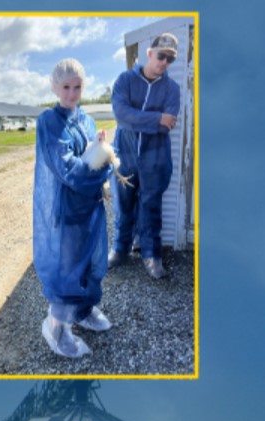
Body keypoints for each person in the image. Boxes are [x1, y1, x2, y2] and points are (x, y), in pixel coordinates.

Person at [32, 59, 114, 359]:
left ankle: (84, 311)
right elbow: (69, 169)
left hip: (90, 208)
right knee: (67, 269)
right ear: (55, 87)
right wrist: (103, 167)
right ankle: (56, 327)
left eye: (77, 86)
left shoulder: (87, 120)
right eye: (66, 87)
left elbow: (88, 155)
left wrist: (97, 146)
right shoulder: (48, 122)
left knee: (91, 264)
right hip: (68, 210)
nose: (72, 93)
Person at [109, 32, 182, 279]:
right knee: (123, 201)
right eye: (161, 56)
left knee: (151, 205)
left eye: (170, 59)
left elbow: (167, 124)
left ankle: (151, 255)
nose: (164, 63)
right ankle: (120, 249)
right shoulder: (125, 80)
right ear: (149, 54)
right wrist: (156, 118)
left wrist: (141, 119)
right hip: (125, 152)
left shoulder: (172, 88)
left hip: (156, 156)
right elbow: (121, 115)